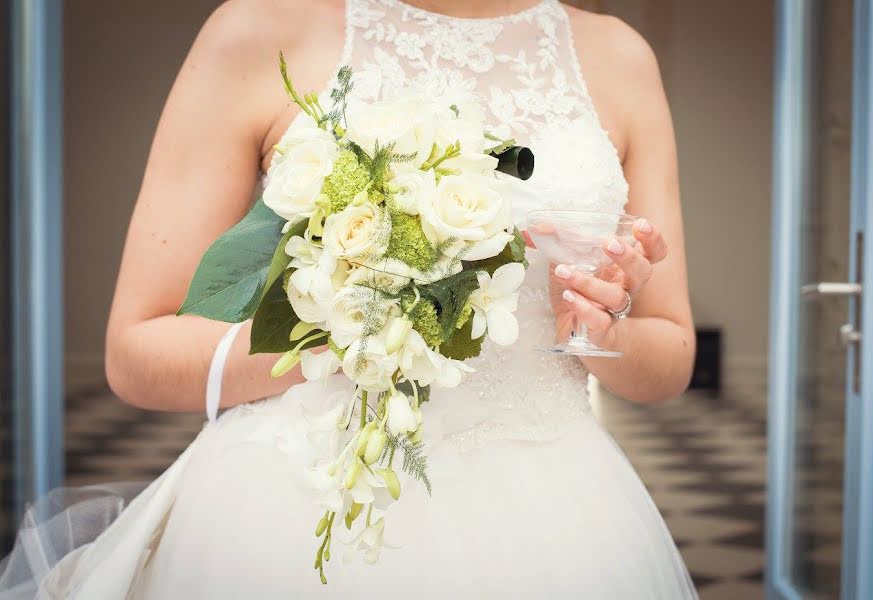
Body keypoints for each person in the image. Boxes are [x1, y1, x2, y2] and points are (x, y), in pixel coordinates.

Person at [0, 0, 697, 597]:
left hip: (560, 512)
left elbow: (667, 354)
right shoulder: (261, 27)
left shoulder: (618, 55)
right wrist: (342, 322)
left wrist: (600, 328)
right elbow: (137, 353)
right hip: (293, 510)